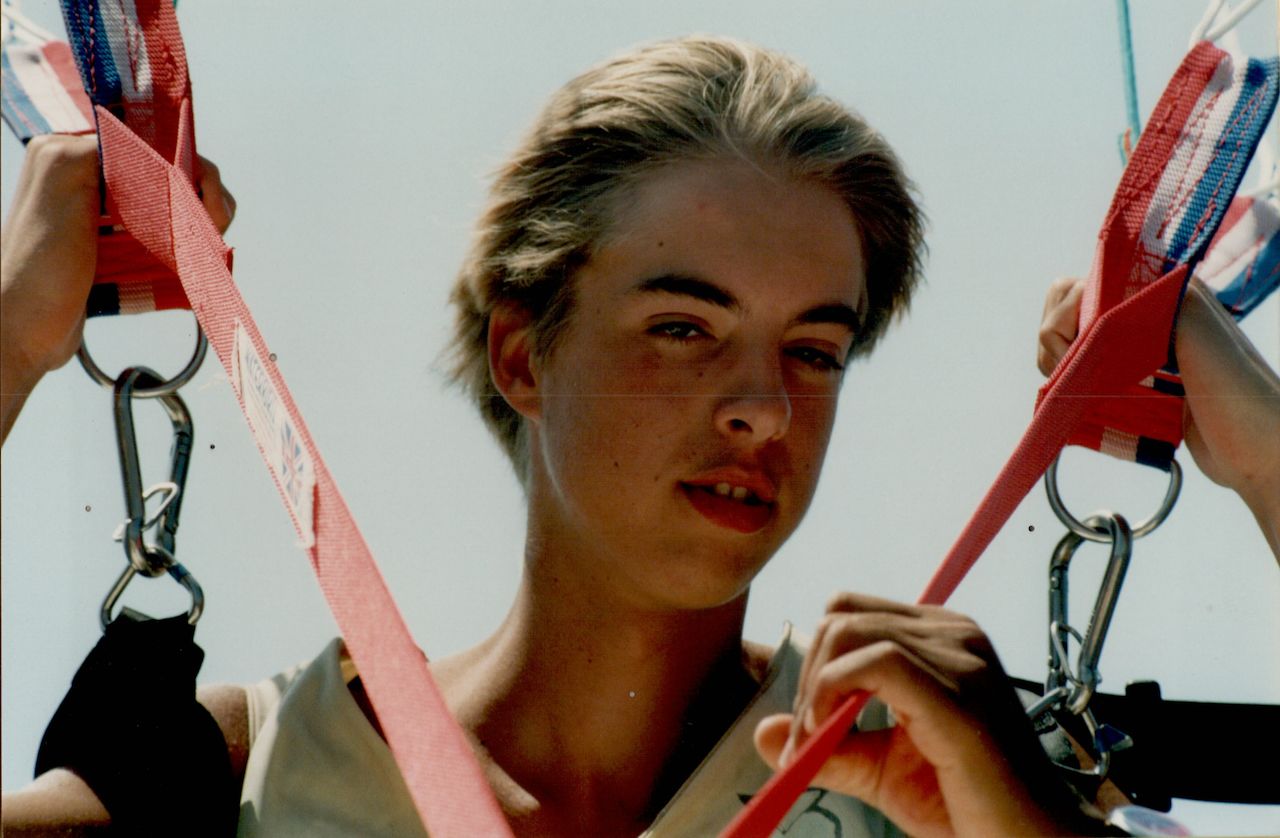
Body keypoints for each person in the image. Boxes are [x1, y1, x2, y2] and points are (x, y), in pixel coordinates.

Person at [2, 36, 1277, 837]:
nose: (762, 406)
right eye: (681, 327)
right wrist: (9, 339)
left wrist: (1266, 459)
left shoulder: (954, 783)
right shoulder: (237, 774)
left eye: (814, 348)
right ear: (522, 353)